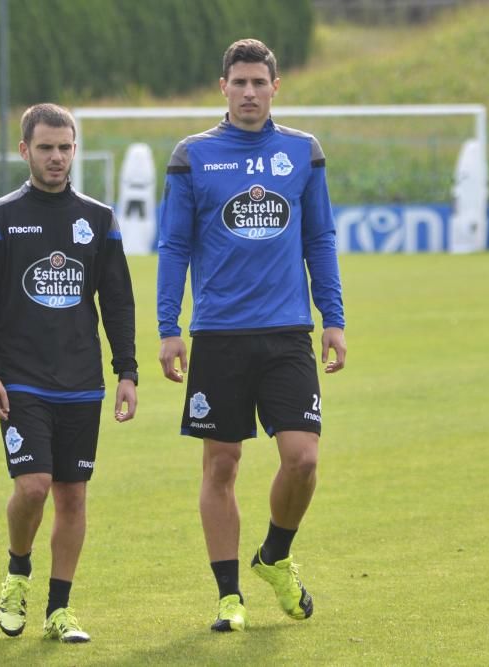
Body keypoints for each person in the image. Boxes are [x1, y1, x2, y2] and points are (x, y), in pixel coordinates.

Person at [156, 39, 346, 632]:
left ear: (275, 87)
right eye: (238, 83)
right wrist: (169, 328)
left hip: (288, 331)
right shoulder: (194, 156)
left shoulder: (302, 152)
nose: (248, 93)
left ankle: (275, 555)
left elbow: (319, 239)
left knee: (303, 458)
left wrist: (332, 316)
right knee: (222, 465)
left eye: (258, 83)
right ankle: (228, 596)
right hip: (219, 335)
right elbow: (174, 246)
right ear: (223, 88)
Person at [0, 103, 138, 644]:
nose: (57, 157)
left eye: (65, 147)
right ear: (25, 151)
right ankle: (18, 571)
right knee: (34, 486)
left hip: (82, 381)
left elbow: (117, 301)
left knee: (72, 495)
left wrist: (127, 371)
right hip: (20, 379)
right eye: (46, 147)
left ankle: (59, 610)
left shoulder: (99, 219)